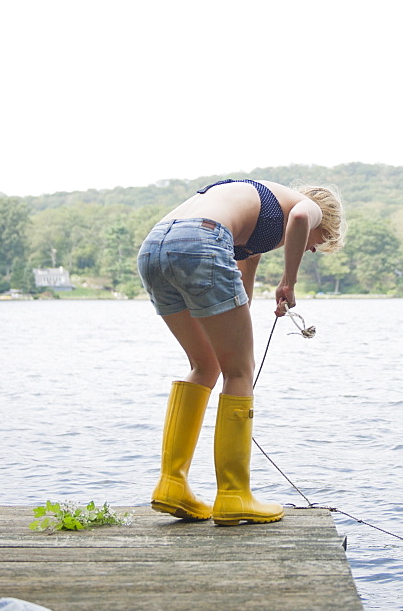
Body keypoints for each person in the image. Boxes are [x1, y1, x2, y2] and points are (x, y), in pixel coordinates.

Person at [137, 177, 346, 526]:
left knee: (206, 364)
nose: (312, 250)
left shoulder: (256, 230)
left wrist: (240, 324)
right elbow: (298, 221)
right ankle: (234, 495)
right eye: (320, 241)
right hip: (202, 242)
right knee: (239, 372)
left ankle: (172, 484)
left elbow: (241, 290)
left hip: (156, 247)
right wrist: (289, 282)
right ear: (322, 220)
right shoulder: (305, 207)